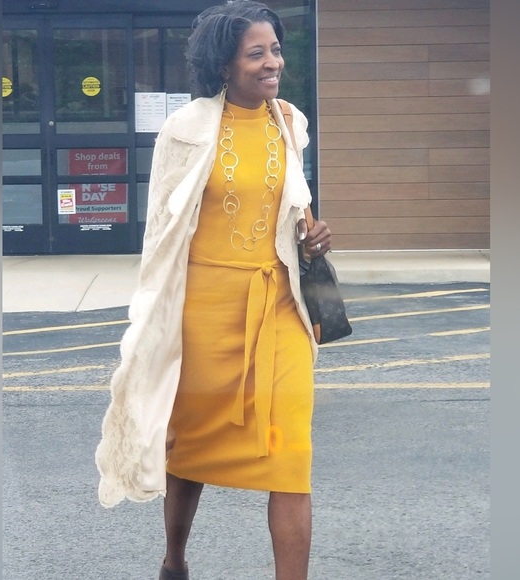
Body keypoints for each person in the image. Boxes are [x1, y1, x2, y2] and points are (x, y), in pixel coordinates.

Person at [95, 2, 332, 578]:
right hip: (203, 315)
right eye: (257, 53)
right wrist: (151, 319)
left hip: (277, 308)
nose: (273, 62)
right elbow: (162, 232)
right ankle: (174, 561)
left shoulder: (290, 123)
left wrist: (310, 241)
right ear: (224, 64)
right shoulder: (185, 130)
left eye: (276, 49)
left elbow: (288, 209)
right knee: (191, 449)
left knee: (290, 455)